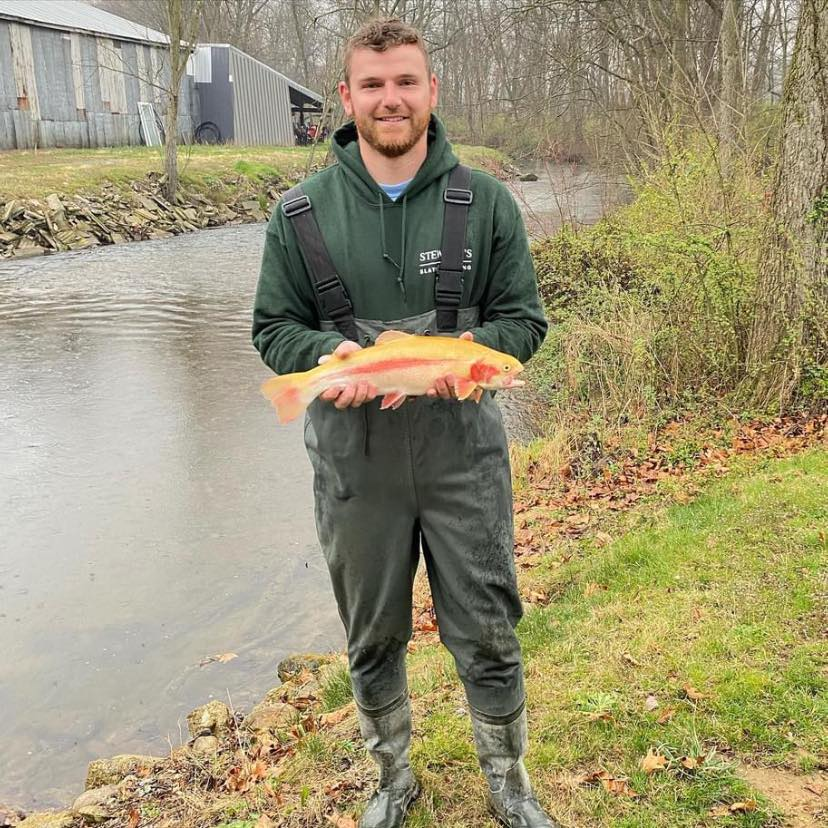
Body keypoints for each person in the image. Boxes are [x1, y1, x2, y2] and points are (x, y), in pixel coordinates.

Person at [252, 17, 556, 828]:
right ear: (347, 98)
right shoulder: (298, 213)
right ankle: (393, 779)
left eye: (407, 82)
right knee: (372, 634)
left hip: (466, 459)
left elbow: (525, 323)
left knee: (489, 627)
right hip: (356, 465)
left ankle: (510, 782)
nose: (392, 99)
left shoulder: (487, 202)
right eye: (374, 85)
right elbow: (273, 330)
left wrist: (468, 351)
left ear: (432, 91)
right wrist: (331, 359)